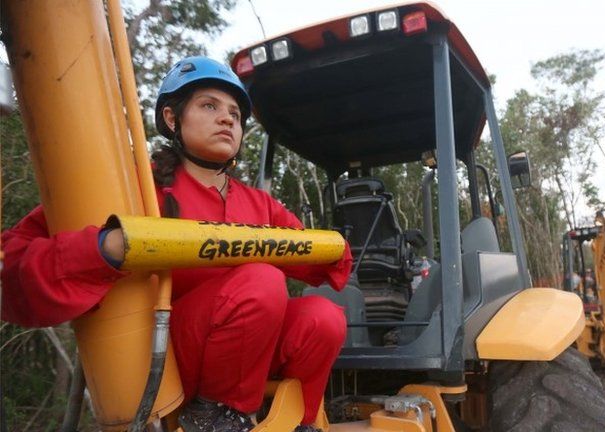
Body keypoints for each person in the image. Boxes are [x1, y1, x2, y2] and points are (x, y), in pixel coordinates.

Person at [1, 56, 352, 432]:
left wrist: (335, 248)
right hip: (166, 354)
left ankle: (301, 421)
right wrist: (106, 248)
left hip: (250, 356)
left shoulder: (258, 204)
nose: (227, 119)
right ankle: (216, 417)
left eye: (235, 113)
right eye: (209, 105)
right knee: (261, 281)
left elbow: (330, 266)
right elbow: (12, 264)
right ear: (172, 119)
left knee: (324, 317)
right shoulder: (134, 188)